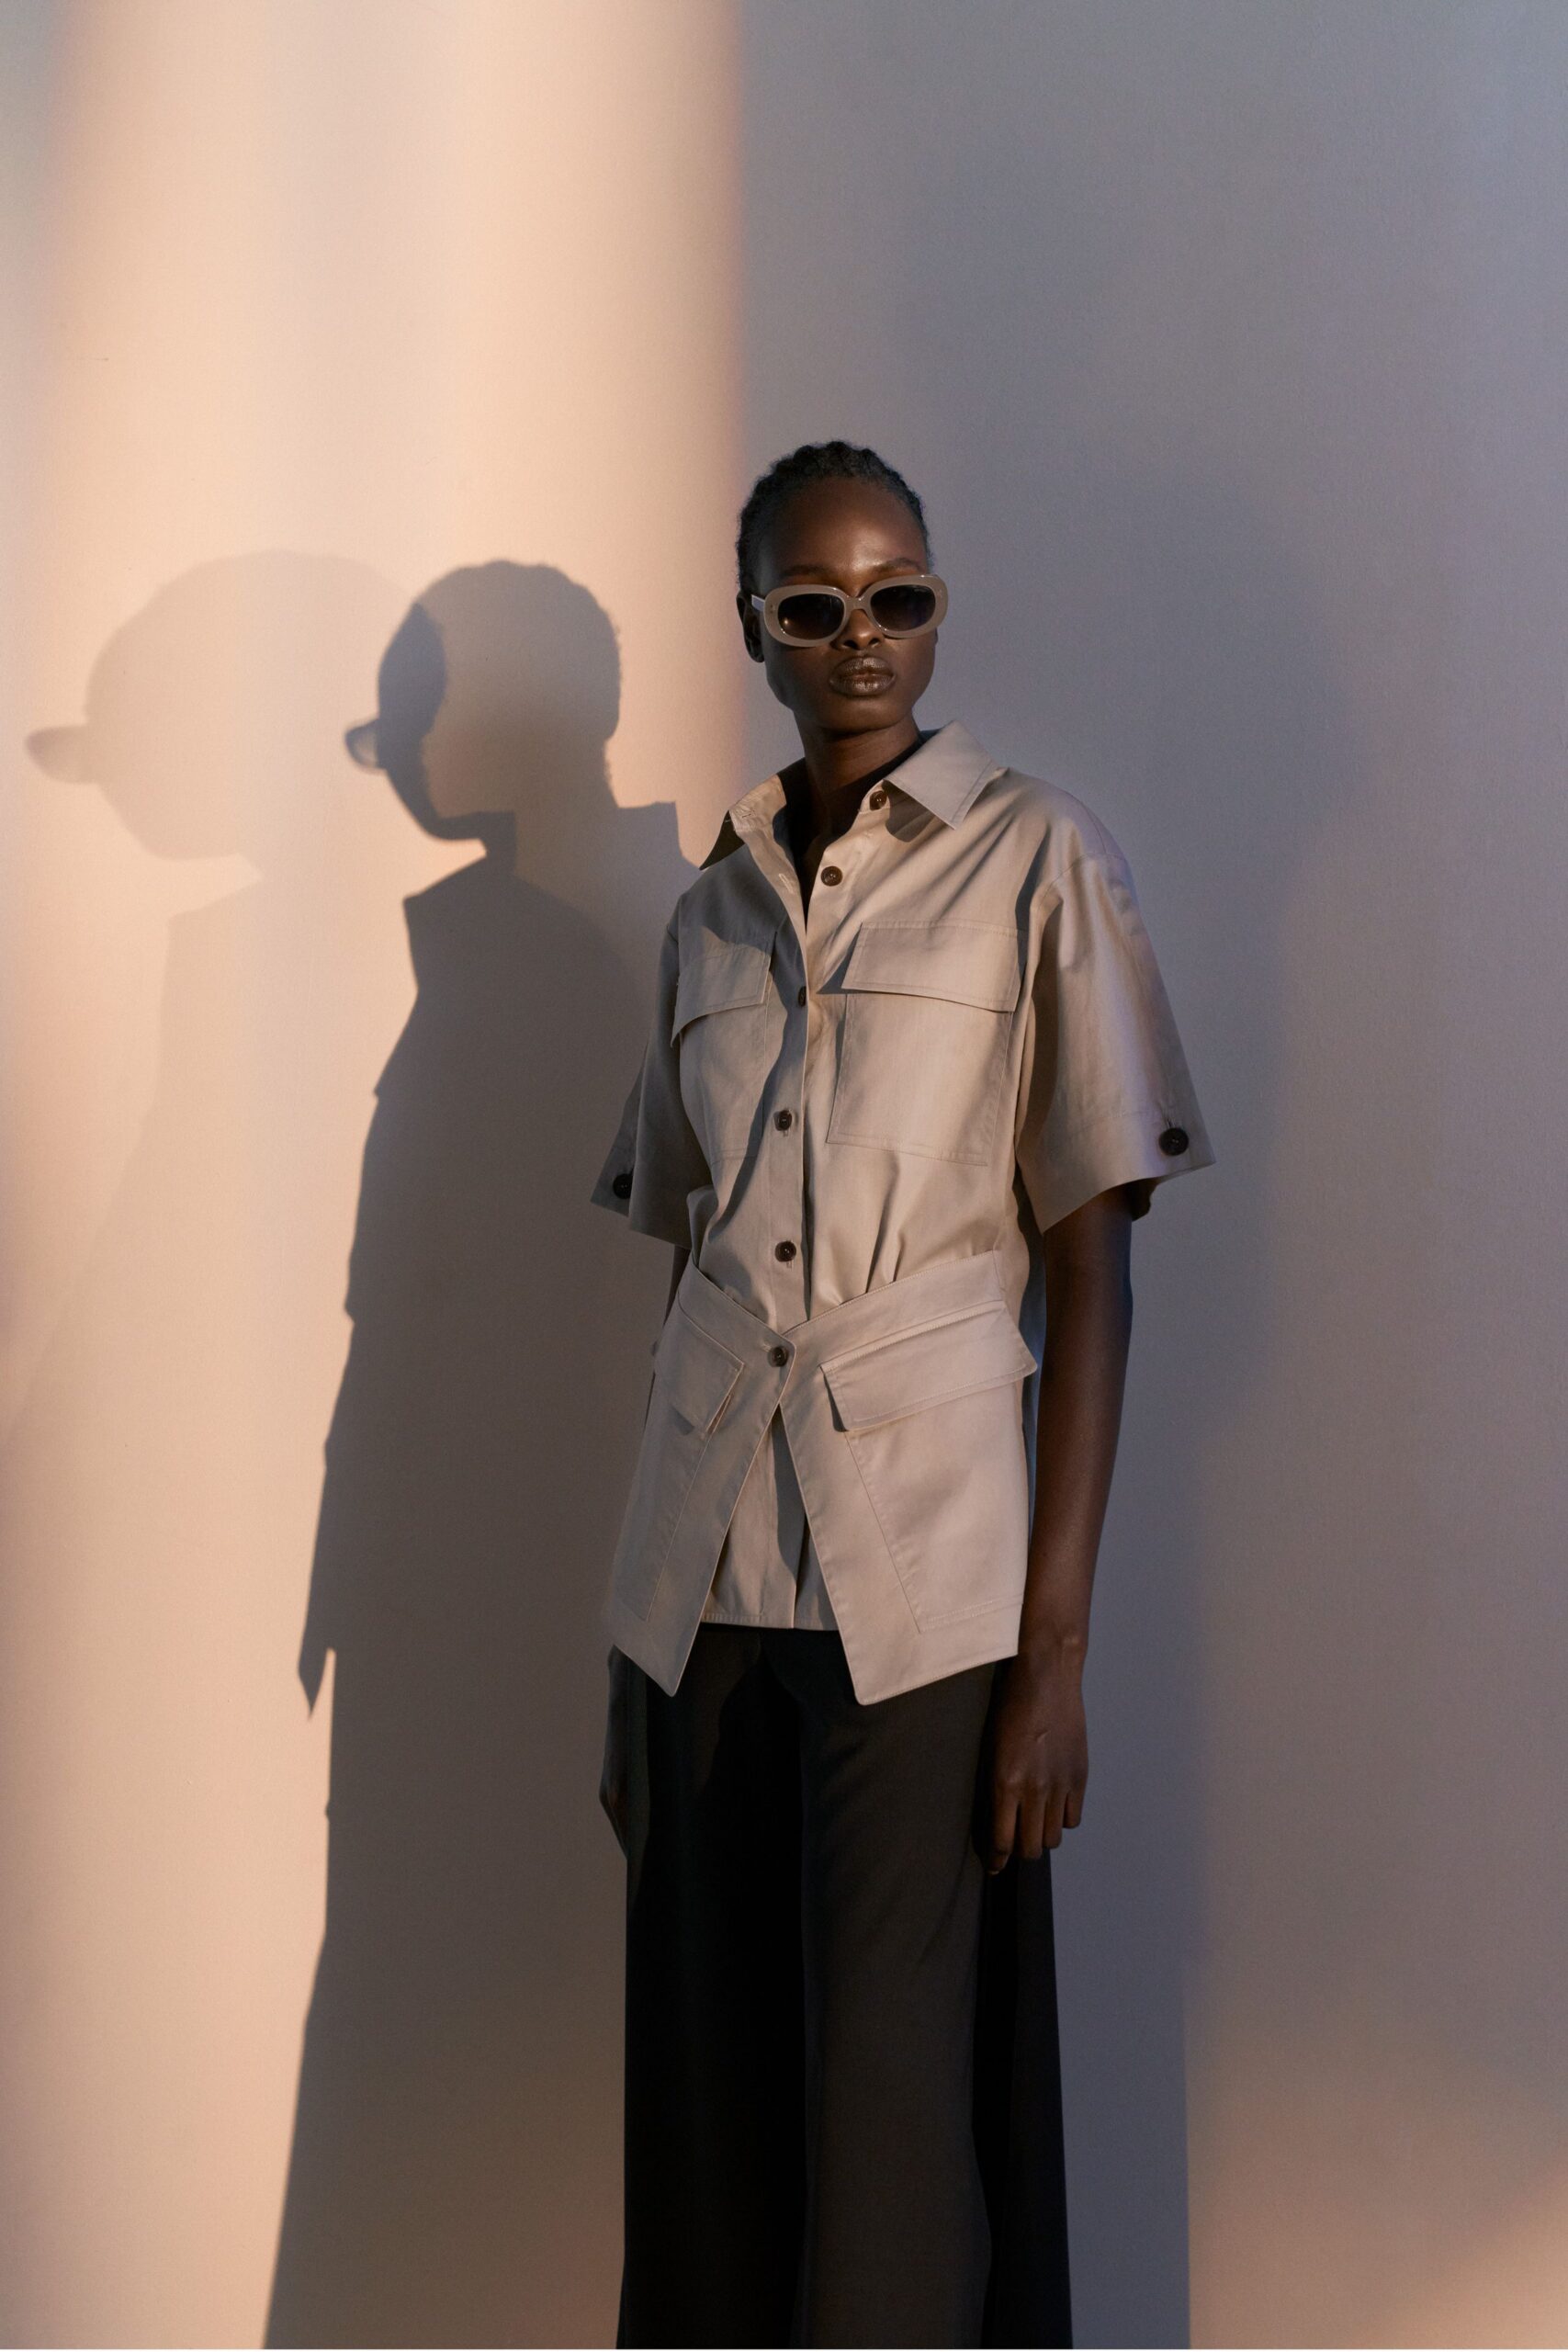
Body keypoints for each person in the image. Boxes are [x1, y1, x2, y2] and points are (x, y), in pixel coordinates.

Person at [590, 439, 1213, 2348]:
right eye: (814, 605)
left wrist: (1054, 1656)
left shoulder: (1039, 862)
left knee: (888, 2124)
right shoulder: (709, 912)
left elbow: (1093, 1276)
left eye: (899, 597)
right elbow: (695, 1266)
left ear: (936, 609)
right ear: (755, 632)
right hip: (696, 1586)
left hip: (923, 1589)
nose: (861, 637)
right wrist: (627, 1643)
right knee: (704, 2118)